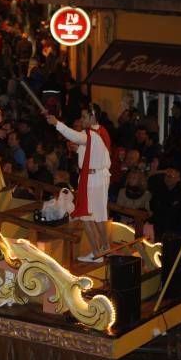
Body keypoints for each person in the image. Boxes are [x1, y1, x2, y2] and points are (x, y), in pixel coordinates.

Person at [46, 103, 112, 262]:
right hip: (94, 177)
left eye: (84, 117)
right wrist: (79, 150)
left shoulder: (92, 134)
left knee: (93, 216)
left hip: (94, 178)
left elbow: (74, 136)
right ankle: (101, 251)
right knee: (92, 216)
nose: (81, 120)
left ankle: (103, 251)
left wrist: (57, 123)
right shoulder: (99, 132)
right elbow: (92, 150)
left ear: (92, 116)